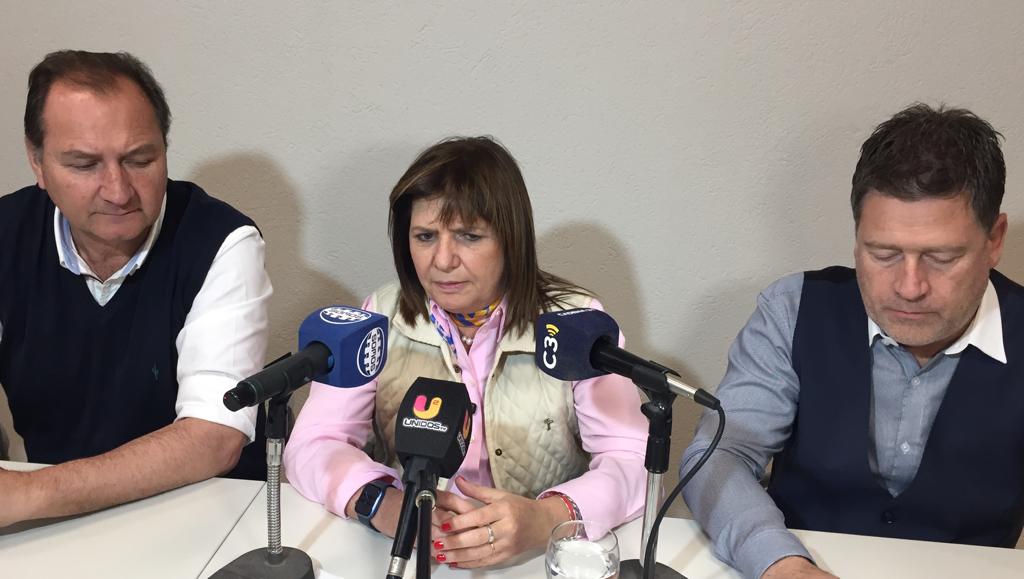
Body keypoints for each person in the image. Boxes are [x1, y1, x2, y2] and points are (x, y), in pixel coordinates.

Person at [680, 103, 1024, 579]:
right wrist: (779, 563)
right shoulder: (792, 309)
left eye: (941, 258)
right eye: (883, 253)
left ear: (994, 240)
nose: (909, 287)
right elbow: (720, 454)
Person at [284, 136, 647, 569]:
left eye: (469, 237)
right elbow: (313, 443)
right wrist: (382, 504)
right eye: (425, 236)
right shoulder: (379, 316)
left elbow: (632, 460)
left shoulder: (577, 323)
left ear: (511, 240)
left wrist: (545, 518)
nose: (442, 260)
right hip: (408, 555)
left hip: (537, 559)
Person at [0, 50, 272, 527]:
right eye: (84, 164)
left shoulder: (222, 241)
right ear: (37, 163)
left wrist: (30, 493)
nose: (118, 191)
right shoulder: (6, 233)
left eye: (140, 159)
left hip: (209, 514)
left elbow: (214, 437)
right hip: (56, 521)